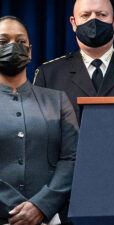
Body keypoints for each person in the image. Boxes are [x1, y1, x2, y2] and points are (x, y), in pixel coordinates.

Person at [0, 16, 78, 225]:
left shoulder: (57, 100)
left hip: (47, 218)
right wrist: (14, 209)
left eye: (20, 42)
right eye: (3, 42)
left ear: (30, 51)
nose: (12, 47)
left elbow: (72, 158)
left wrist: (41, 206)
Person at [33, 0, 114, 122]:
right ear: (73, 23)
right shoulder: (49, 75)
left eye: (102, 15)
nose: (93, 21)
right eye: (85, 15)